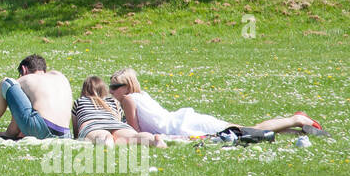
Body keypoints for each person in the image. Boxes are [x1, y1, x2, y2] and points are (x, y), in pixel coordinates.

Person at [109, 67, 325, 137]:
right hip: (185, 121)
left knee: (245, 131)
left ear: (127, 87)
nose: (111, 91)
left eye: (115, 87)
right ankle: (295, 128)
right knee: (245, 132)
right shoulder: (141, 95)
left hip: (184, 126)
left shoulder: (128, 99)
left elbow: (135, 133)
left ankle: (297, 119)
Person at [0, 55, 73, 140]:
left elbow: (14, 127)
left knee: (6, 82)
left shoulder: (26, 79)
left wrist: (7, 134)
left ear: (24, 69)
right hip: (65, 134)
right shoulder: (59, 76)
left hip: (42, 129)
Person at [73, 75, 166, 147]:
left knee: (100, 135)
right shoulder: (113, 101)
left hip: (92, 126)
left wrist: (77, 136)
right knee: (134, 137)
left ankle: (107, 141)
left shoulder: (79, 101)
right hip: (116, 124)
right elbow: (119, 118)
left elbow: (76, 127)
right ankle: (153, 140)